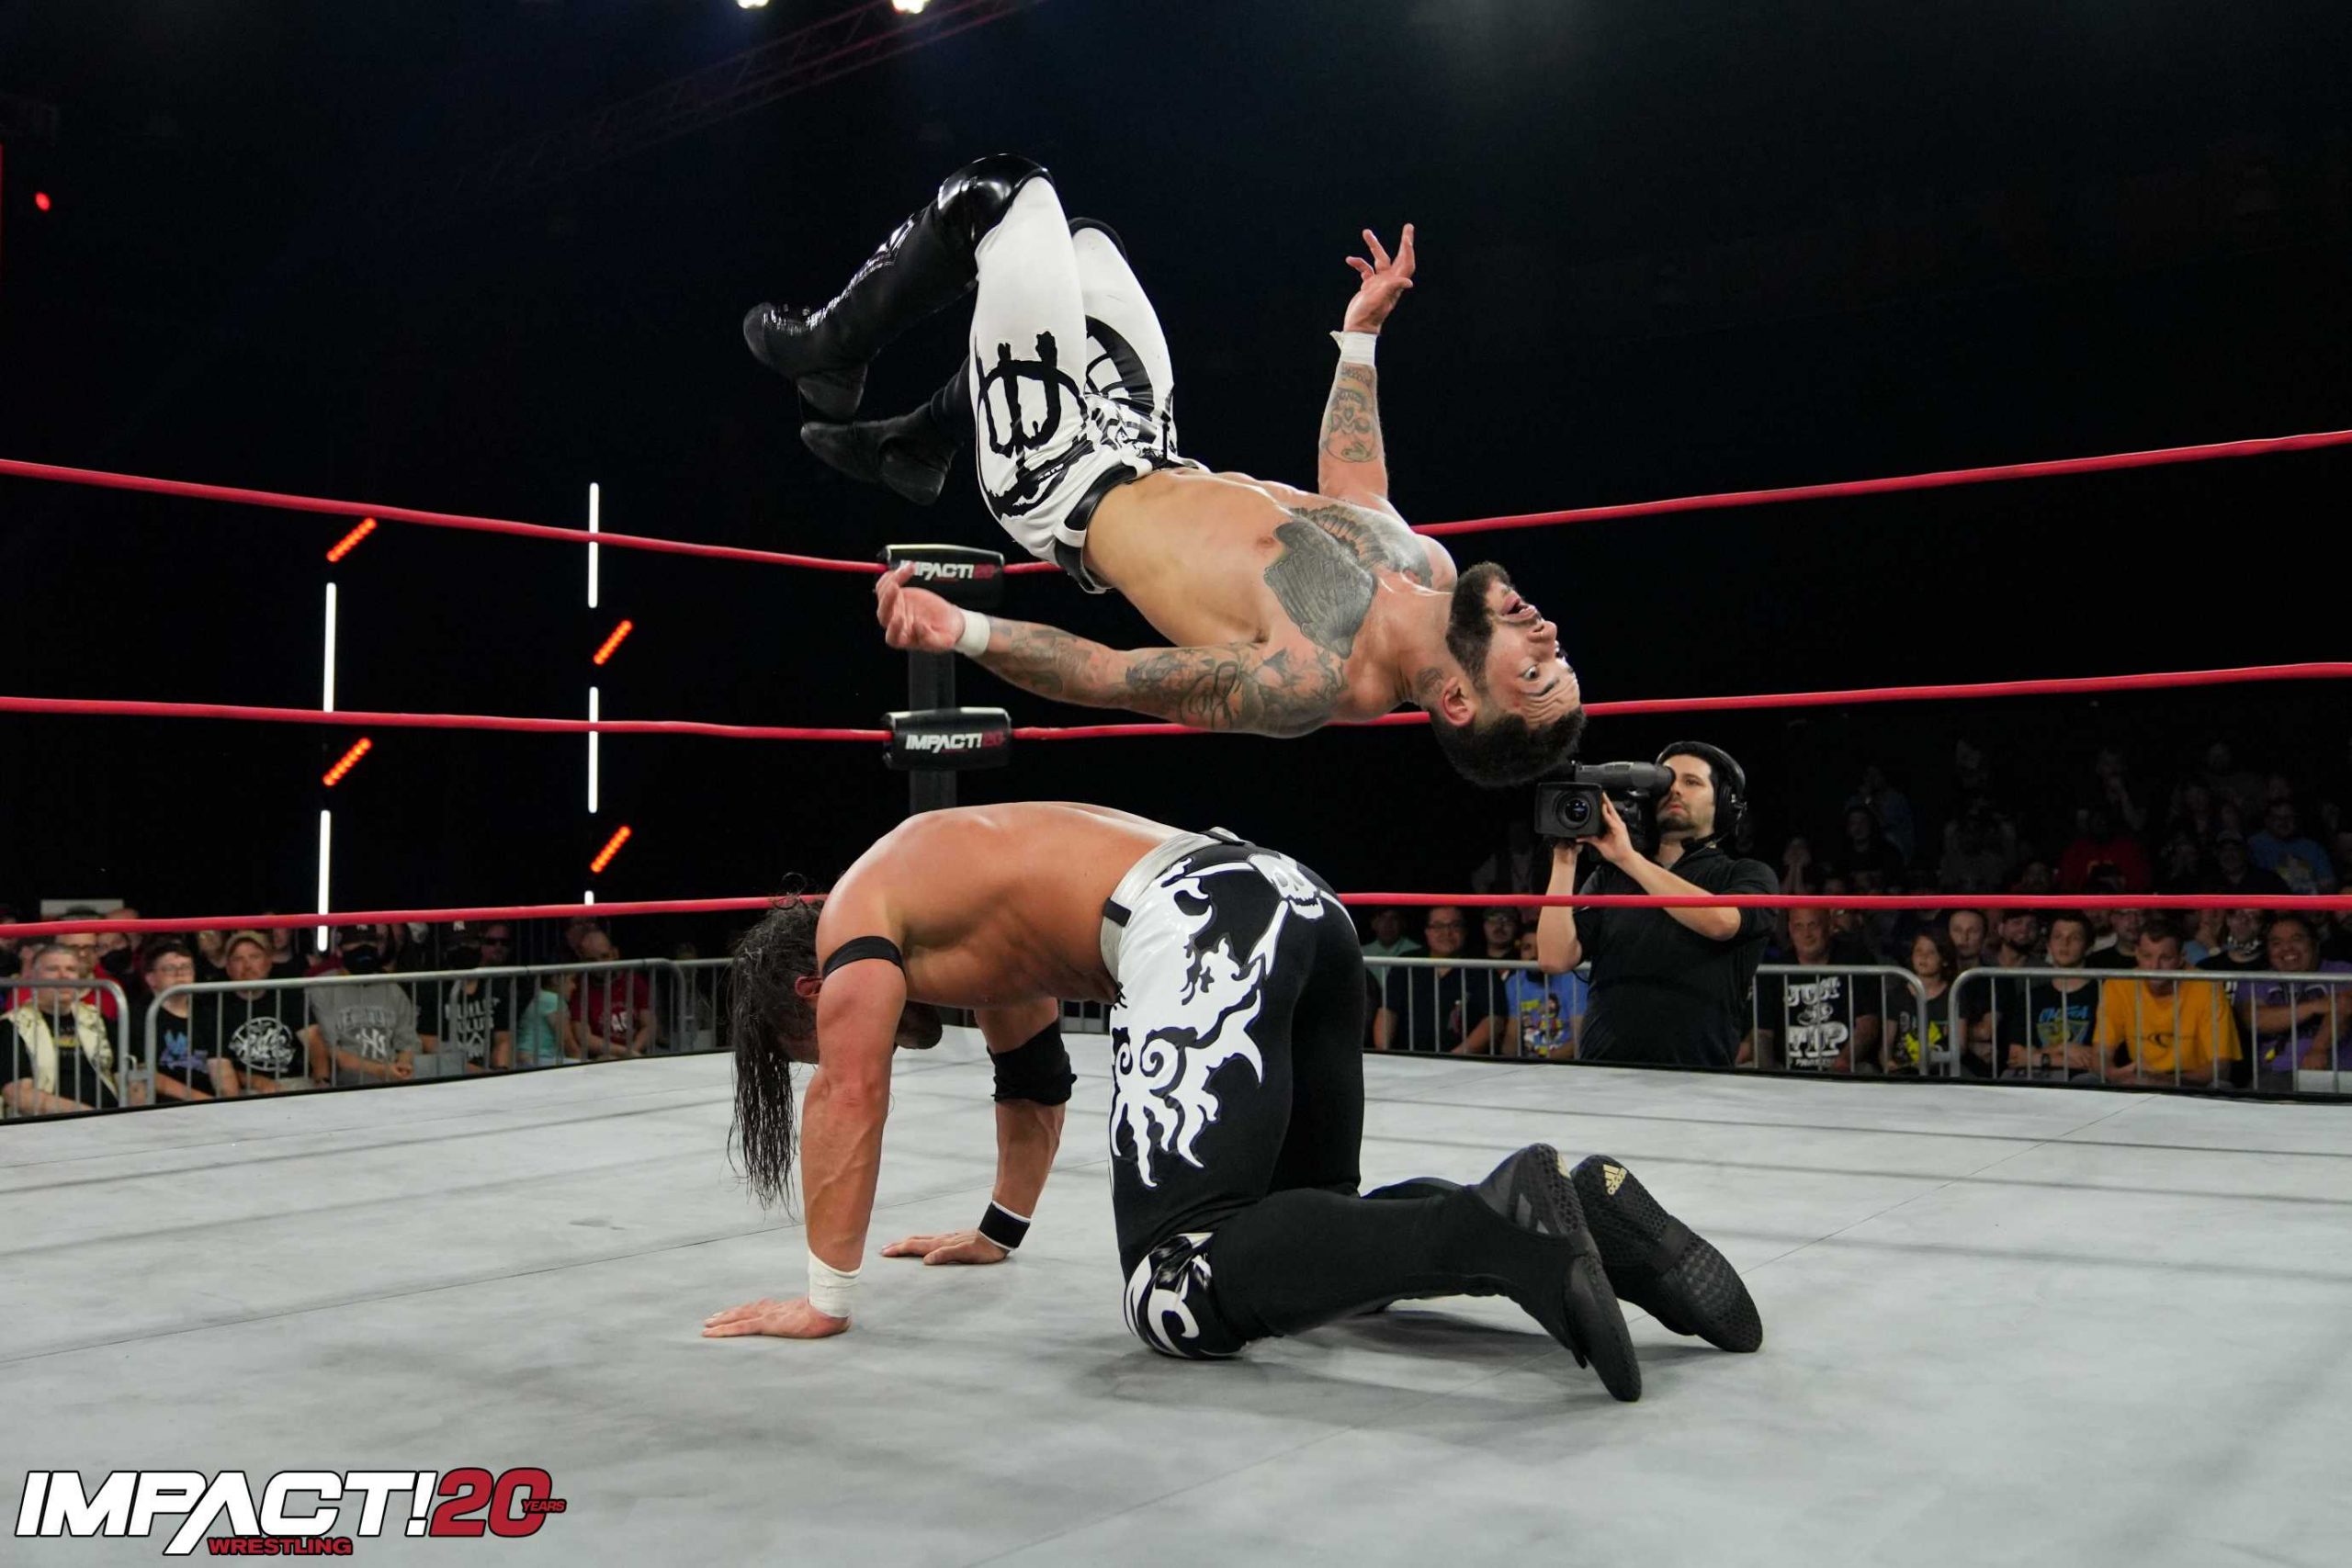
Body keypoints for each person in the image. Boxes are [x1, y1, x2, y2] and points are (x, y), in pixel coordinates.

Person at [702, 801, 1762, 1397]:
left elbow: (849, 1092)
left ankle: (1501, 1221)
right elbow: (1032, 1081)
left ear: (809, 991)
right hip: (1293, 898)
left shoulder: (854, 918)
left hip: (1197, 926)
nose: (836, 1040)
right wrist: (997, 1230)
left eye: (800, 1043)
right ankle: (1592, 1216)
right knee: (1308, 1250)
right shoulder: (950, 901)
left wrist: (824, 1297)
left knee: (1175, 1289)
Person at [751, 155, 1581, 784]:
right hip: (1147, 438)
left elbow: (1111, 677)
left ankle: (829, 350)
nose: (1548, 636)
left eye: (1536, 672)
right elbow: (1355, 490)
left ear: (1459, 702)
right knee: (1084, 250)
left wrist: (963, 629)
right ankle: (921, 442)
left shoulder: (1307, 678)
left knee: (1005, 198)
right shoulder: (1427, 568)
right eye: (1560, 655)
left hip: (1056, 472)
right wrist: (1359, 339)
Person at [1535, 744, 1778, 1067]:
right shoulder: (1611, 876)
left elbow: (1721, 922)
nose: (1675, 790)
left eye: (1692, 782)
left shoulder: (1746, 874)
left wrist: (1628, 858)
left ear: (1722, 802)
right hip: (1603, 1070)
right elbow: (1554, 958)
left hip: (1696, 1072)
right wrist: (1564, 858)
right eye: (1667, 781)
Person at [2092, 918, 2242, 1088]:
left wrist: (2162, 1082)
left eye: (2165, 958)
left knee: (2220, 1086)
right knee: (2087, 1080)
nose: (2155, 967)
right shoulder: (2118, 984)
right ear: (2137, 953)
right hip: (2139, 1081)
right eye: (2147, 956)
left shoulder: (2207, 987)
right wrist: (2114, 1075)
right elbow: (2100, 1054)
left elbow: (2221, 1068)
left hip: (2191, 1084)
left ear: (2181, 958)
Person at [1, 942, 130, 1115]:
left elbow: (129, 1078)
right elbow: (19, 1095)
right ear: (33, 977)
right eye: (53, 969)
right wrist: (88, 1115)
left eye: (71, 969)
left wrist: (135, 1117)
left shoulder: (95, 1019)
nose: (64, 976)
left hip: (112, 1118)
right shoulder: (12, 1025)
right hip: (52, 1123)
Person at [1750, 908, 1879, 1074]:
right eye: (1799, 926)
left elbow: (1868, 1025)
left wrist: (1843, 1063)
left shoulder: (1856, 960)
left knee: (1867, 1072)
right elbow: (1762, 1034)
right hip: (1788, 1073)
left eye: (1813, 925)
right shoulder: (1774, 971)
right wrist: (1770, 1075)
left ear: (1829, 926)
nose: (1807, 934)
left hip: (1848, 1069)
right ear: (1790, 929)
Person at [198, 931, 315, 1095]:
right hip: (247, 1089)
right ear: (228, 968)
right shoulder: (215, 1006)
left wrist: (322, 1078)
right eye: (238, 959)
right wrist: (255, 1081)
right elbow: (219, 1066)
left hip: (295, 1082)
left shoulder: (288, 995)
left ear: (269, 962)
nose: (247, 965)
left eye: (255, 957)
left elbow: (314, 1040)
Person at [1371, 906, 1498, 1055]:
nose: (1447, 933)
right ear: (1427, 931)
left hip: (1463, 1063)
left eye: (1455, 925)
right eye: (1438, 926)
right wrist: (1386, 1055)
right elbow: (1387, 1011)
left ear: (1464, 930)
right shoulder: (1407, 963)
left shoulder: (1481, 968)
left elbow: (1493, 1020)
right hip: (1407, 1061)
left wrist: (1453, 1058)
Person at [2242, 914, 2352, 1086]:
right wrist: (2315, 1006)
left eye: (2296, 939)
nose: (2287, 948)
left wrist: (2318, 1048)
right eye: (2276, 943)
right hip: (2274, 1075)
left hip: (2335, 1072)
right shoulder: (2258, 981)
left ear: (2314, 943)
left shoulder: (2341, 971)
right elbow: (2256, 1020)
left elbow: (2344, 1007)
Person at [303, 926, 419, 1085]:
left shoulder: (392, 988)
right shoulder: (321, 987)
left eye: (370, 942)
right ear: (339, 950)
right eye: (356, 942)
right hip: (347, 1084)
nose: (364, 947)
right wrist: (381, 1071)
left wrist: (403, 1066)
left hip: (393, 1079)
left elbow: (408, 1042)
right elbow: (334, 1052)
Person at [2003, 911, 2101, 1081]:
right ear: (2048, 945)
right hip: (2035, 1082)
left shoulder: (2102, 994)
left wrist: (2034, 1057)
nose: (2065, 943)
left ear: (2089, 947)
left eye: (2075, 938)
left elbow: (2098, 1060)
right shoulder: (2031, 997)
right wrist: (2064, 1048)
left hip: (2083, 1084)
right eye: (2058, 937)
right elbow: (2015, 1057)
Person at [417, 924, 514, 1074]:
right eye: (456, 944)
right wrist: (475, 1072)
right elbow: (428, 1042)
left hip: (489, 1071)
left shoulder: (495, 984)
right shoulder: (433, 989)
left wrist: (501, 1071)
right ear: (445, 949)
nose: (464, 948)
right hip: (449, 1073)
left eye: (470, 942)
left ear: (479, 944)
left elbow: (503, 1038)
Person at [144, 941, 216, 1103]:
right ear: (151, 978)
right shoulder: (139, 1015)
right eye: (170, 968)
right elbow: (147, 1075)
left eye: (186, 967)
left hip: (210, 1102)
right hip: (165, 1105)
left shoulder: (207, 1012)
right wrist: (206, 1101)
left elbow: (220, 1066)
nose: (180, 974)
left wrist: (230, 1104)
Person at [1502, 927, 1586, 1059]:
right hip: (1528, 1065)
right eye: (1527, 948)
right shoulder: (1515, 982)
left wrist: (1542, 1065)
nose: (1534, 955)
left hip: (1565, 1064)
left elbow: (1580, 1039)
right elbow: (1512, 1036)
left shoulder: (1571, 978)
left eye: (1541, 947)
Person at [1885, 929, 1959, 1076]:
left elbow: (1960, 1044)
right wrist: (1887, 1063)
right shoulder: (1897, 995)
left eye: (1931, 952)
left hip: (1941, 1072)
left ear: (1944, 960)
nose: (1923, 957)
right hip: (1902, 1071)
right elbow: (1887, 1040)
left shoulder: (1954, 994)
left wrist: (1932, 1060)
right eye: (1918, 951)